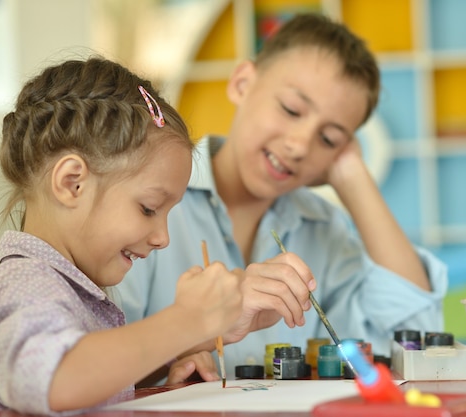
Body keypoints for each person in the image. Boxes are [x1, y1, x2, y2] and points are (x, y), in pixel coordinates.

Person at [117, 13, 448, 378]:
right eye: (291, 110)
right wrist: (179, 356)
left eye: (329, 139)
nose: (300, 145)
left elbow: (412, 337)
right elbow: (86, 362)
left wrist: (353, 175)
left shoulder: (323, 229)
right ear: (243, 84)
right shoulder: (149, 201)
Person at [0, 57, 253, 416]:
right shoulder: (25, 284)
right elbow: (58, 380)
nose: (163, 238)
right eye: (148, 208)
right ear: (73, 183)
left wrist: (171, 360)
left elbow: (90, 383)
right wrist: (185, 320)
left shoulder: (68, 288)